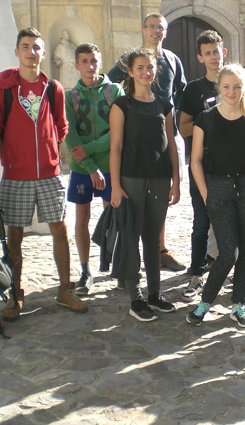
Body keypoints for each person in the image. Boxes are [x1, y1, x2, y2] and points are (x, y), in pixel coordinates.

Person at [0, 27, 88, 321]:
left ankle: (65, 289)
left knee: (60, 231)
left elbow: (61, 126)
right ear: (17, 51)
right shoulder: (5, 88)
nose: (31, 52)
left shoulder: (53, 88)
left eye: (36, 47)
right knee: (14, 236)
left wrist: (49, 153)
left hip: (49, 174)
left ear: (44, 52)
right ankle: (15, 293)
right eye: (25, 46)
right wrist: (9, 158)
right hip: (15, 176)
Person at [186, 64, 245, 327]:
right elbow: (195, 161)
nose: (231, 91)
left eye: (237, 86)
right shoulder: (206, 118)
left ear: (244, 87)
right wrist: (206, 193)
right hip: (218, 188)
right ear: (219, 88)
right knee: (228, 253)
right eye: (226, 86)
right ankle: (204, 303)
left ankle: (238, 305)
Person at [108, 12, 187, 272]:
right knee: (134, 202)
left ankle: (159, 250)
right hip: (136, 137)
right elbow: (107, 85)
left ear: (166, 32)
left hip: (165, 134)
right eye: (151, 26)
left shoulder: (173, 60)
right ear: (143, 30)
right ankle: (130, 260)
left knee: (160, 199)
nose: (156, 31)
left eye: (160, 27)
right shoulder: (129, 59)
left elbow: (181, 94)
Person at [109, 48, 181, 322]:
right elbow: (115, 147)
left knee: (152, 239)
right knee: (131, 237)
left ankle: (154, 294)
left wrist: (176, 180)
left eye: (149, 67)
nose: (145, 72)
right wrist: (115, 186)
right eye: (139, 67)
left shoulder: (164, 104)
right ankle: (135, 297)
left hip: (160, 179)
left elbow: (171, 144)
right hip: (131, 179)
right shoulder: (122, 105)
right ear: (130, 71)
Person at [65, 43, 124, 295]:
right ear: (76, 65)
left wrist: (90, 149)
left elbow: (119, 130)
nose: (90, 66)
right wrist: (89, 167)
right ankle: (85, 270)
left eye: (94, 61)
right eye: (84, 61)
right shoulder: (70, 97)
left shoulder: (115, 91)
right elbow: (70, 135)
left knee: (114, 217)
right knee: (82, 219)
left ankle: (117, 266)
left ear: (100, 62)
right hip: (82, 169)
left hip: (111, 165)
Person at [178, 30, 227, 301]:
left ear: (224, 52)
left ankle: (239, 276)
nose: (213, 57)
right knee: (201, 222)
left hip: (232, 167)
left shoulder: (235, 83)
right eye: (207, 53)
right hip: (202, 166)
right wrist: (207, 123)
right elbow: (183, 126)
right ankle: (197, 274)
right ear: (200, 58)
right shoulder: (194, 89)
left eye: (216, 51)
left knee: (235, 222)